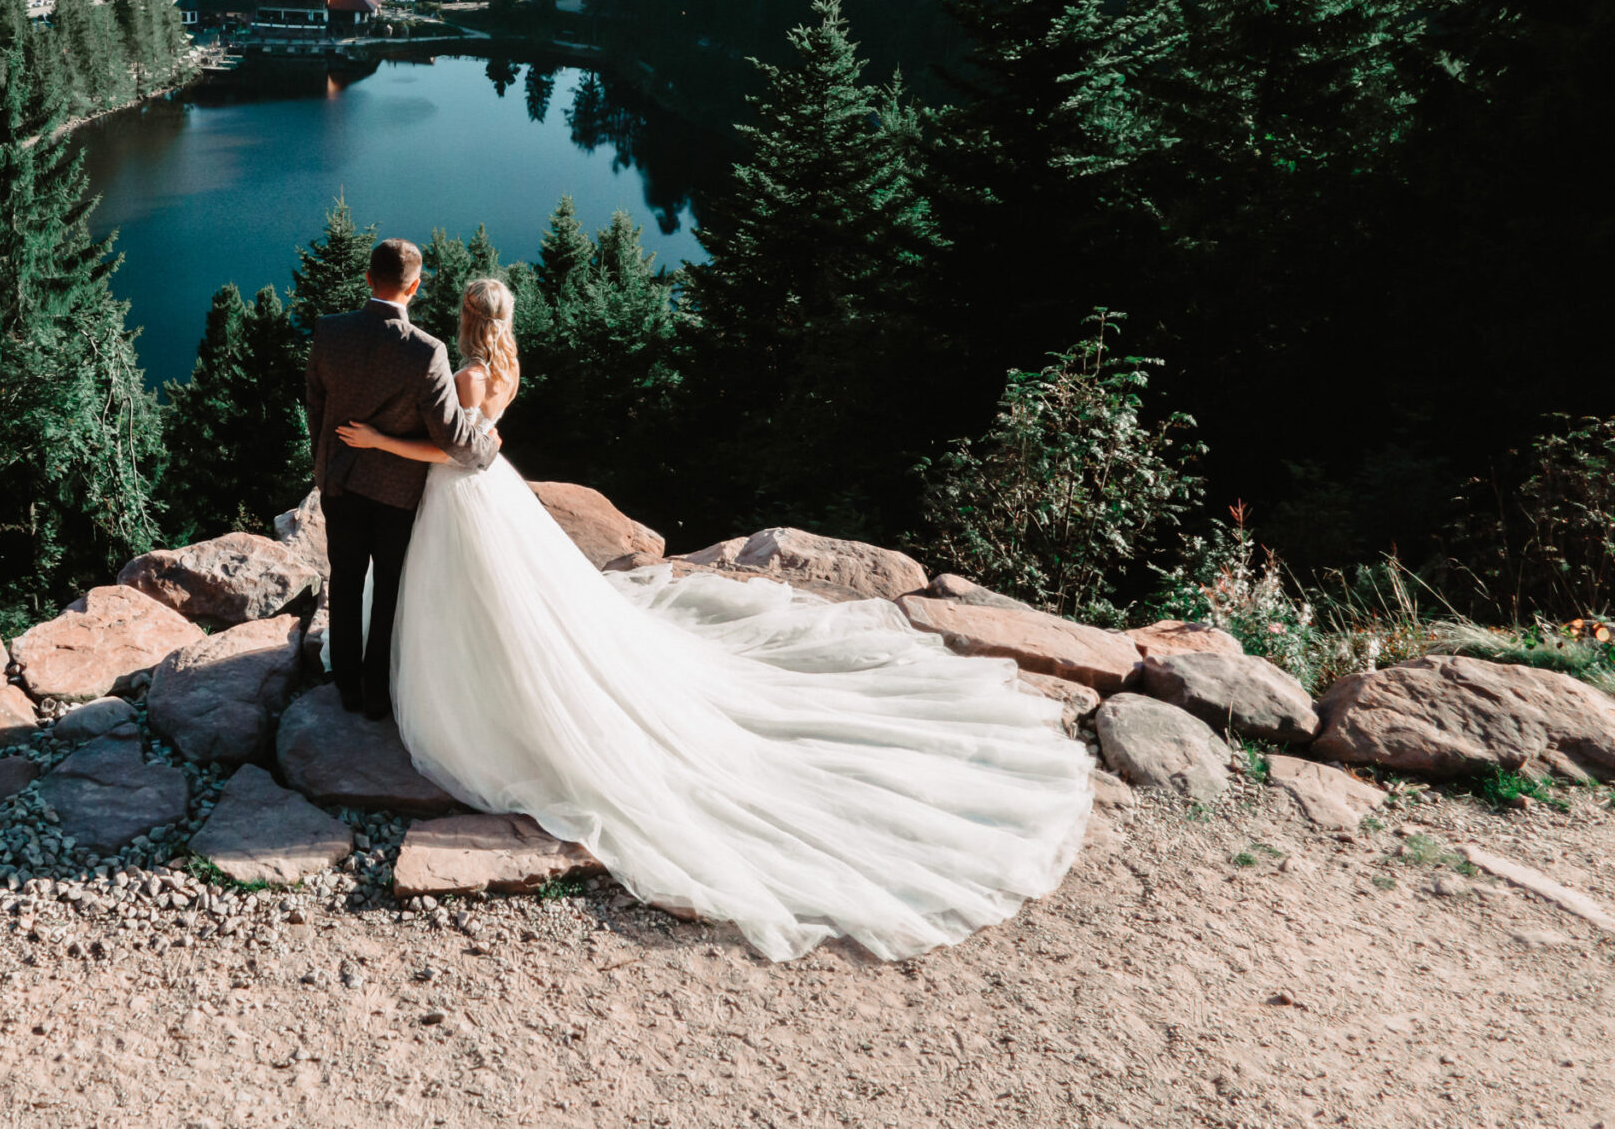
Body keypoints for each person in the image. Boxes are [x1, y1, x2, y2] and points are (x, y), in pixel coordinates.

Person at [335, 276, 1095, 961]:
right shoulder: (505, 366)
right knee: (518, 605)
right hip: (495, 494)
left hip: (468, 497)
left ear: (465, 321)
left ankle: (480, 698)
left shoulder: (466, 373)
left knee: (480, 601)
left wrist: (379, 440)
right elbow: (488, 440)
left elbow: (460, 453)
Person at [303, 238, 500, 721]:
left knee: (345, 581)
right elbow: (454, 436)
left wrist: (329, 456)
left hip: (339, 482)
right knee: (389, 587)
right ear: (414, 287)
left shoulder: (330, 331)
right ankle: (376, 696)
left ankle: (345, 685)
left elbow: (316, 408)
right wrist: (489, 447)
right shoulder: (426, 352)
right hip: (395, 492)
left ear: (368, 279)